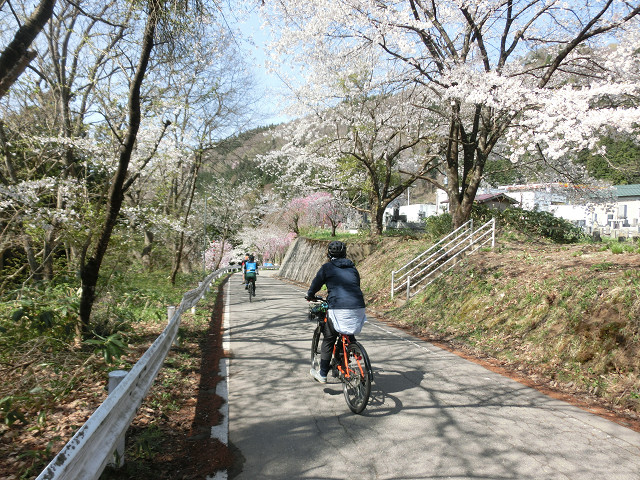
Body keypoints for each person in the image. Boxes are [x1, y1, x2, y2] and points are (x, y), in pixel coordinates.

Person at [305, 241, 366, 384]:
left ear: (329, 254)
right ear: (345, 253)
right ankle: (353, 347)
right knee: (346, 326)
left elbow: (316, 284)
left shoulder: (327, 268)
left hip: (338, 306)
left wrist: (310, 294)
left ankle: (323, 374)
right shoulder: (352, 268)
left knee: (329, 338)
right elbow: (355, 284)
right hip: (358, 306)